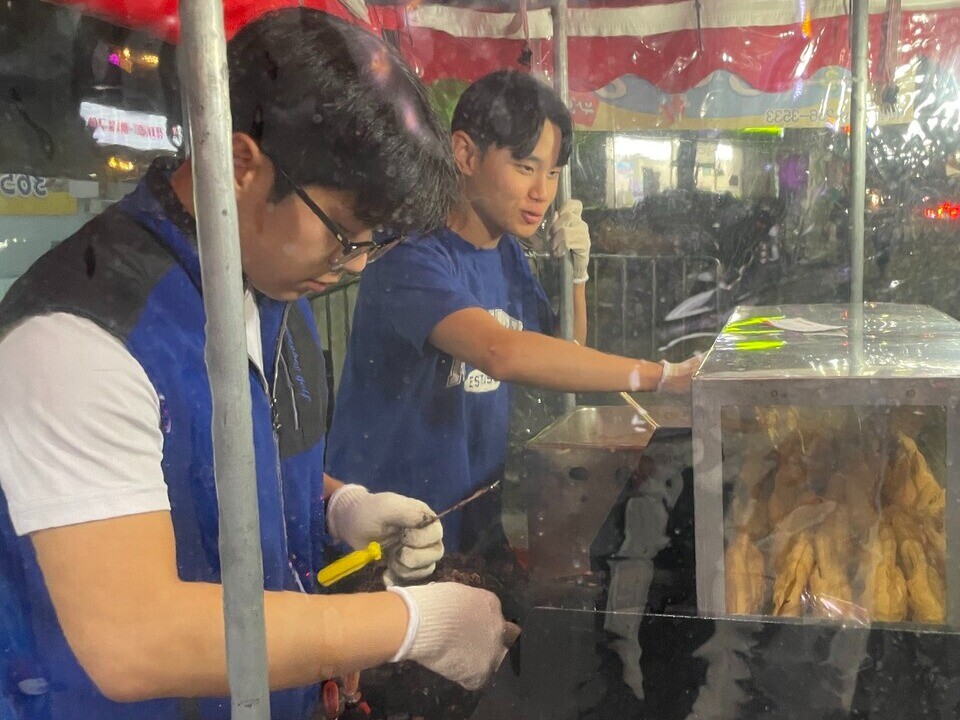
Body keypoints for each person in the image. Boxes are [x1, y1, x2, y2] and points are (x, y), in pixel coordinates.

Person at [0, 10, 516, 719]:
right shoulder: (77, 337)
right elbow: (133, 635)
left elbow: (214, 476)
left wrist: (337, 505)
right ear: (241, 163)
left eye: (371, 242)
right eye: (344, 233)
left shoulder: (272, 284)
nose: (353, 265)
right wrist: (412, 626)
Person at [326, 70, 699, 557]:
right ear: (465, 154)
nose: (542, 191)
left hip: (471, 524)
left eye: (553, 173)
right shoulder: (410, 255)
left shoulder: (507, 254)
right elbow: (501, 352)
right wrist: (661, 375)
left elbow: (564, 357)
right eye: (525, 167)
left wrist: (578, 277)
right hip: (385, 529)